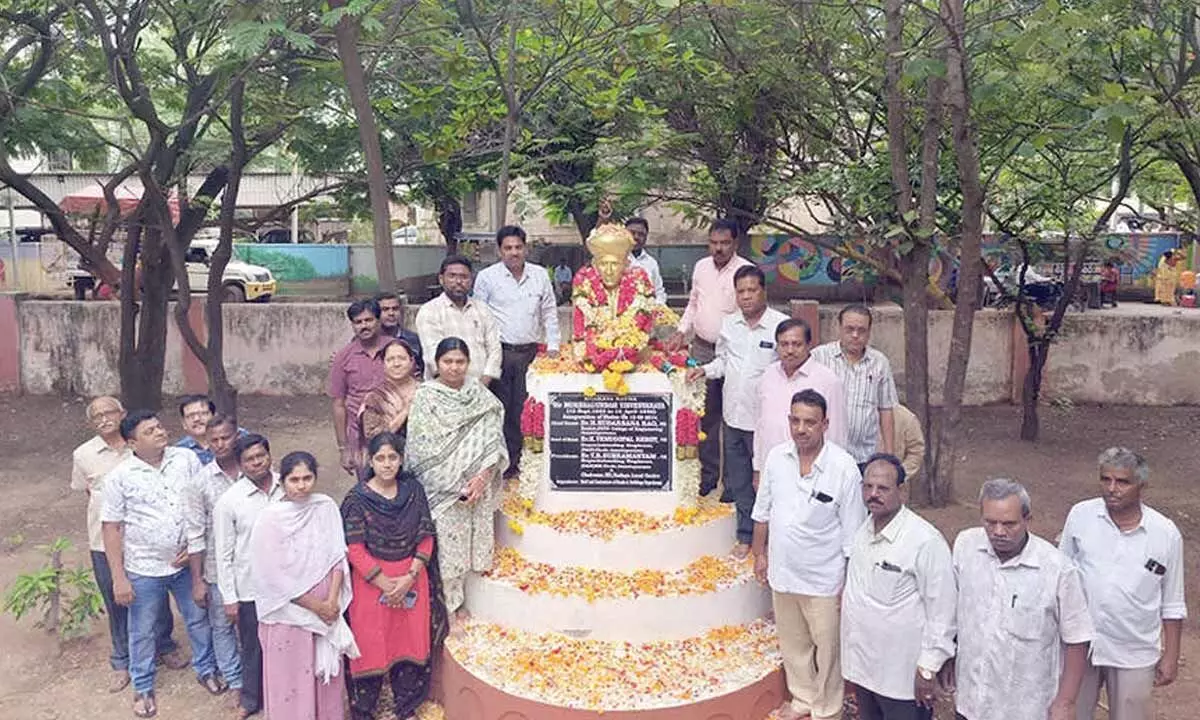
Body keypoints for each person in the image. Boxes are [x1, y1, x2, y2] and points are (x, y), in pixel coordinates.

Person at [751, 389, 866, 720]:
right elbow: (763, 512)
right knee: (794, 646)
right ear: (788, 421)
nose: (801, 429)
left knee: (827, 652)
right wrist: (760, 555)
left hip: (824, 579)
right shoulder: (776, 458)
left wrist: (848, 581)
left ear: (825, 424)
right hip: (784, 574)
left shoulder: (843, 468)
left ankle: (827, 711)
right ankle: (802, 700)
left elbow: (852, 533)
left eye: (810, 423)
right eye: (795, 421)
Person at [101, 410, 221, 718]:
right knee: (142, 629)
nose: (159, 432)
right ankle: (142, 687)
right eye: (150, 431)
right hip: (143, 568)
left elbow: (202, 504)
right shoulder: (119, 477)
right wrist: (119, 578)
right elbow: (111, 527)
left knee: (197, 617)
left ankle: (206, 668)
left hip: (185, 563)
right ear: (132, 442)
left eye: (159, 427)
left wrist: (195, 550)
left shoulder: (185, 459)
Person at [950, 478, 1093, 720]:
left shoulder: (1057, 570)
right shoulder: (966, 546)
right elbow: (952, 608)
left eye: (1009, 524)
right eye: (990, 522)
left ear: (1028, 519)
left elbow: (1078, 638)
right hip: (971, 702)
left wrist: (1066, 702)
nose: (998, 532)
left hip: (1024, 708)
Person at [1059, 448, 1186, 720]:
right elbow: (1060, 577)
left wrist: (1171, 655)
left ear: (1142, 485)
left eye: (1123, 482)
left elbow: (1172, 601)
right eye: (1106, 480)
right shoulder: (1081, 516)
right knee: (1070, 713)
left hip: (1133, 648)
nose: (1112, 489)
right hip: (1080, 643)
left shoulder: (1165, 534)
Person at [72, 397, 182, 693]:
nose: (104, 418)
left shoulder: (143, 443)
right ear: (90, 423)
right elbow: (89, 493)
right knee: (116, 598)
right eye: (97, 416)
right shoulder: (83, 455)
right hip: (103, 541)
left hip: (145, 542)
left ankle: (164, 645)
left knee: (156, 595)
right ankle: (122, 660)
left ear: (122, 414)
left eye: (110, 412)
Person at [342, 432, 449, 720]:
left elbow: (426, 536)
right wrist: (385, 584)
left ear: (401, 460)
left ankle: (406, 707)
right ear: (370, 460)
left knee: (409, 642)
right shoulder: (357, 499)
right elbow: (354, 548)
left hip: (412, 580)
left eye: (393, 457)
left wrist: (409, 577)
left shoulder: (413, 491)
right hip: (372, 585)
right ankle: (365, 711)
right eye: (380, 458)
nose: (387, 464)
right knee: (370, 645)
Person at [841, 454, 955, 720]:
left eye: (883, 488)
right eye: (868, 487)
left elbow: (943, 612)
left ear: (902, 491)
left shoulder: (925, 541)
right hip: (864, 669)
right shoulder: (862, 532)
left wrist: (928, 668)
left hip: (902, 679)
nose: (873, 494)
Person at [405, 337, 508, 628]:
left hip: (478, 483)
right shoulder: (426, 396)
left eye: (460, 361)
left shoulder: (479, 393)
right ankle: (450, 608)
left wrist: (482, 478)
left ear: (468, 363)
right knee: (449, 550)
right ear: (436, 363)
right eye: (447, 361)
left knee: (475, 542)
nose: (453, 367)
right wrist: (456, 485)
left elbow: (492, 436)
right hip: (445, 489)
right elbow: (421, 447)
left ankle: (472, 602)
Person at [686, 265, 788, 556]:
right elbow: (722, 362)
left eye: (751, 290)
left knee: (770, 483)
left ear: (763, 291)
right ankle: (746, 537)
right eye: (740, 291)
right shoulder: (729, 325)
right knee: (740, 481)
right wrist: (703, 371)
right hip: (734, 417)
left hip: (767, 423)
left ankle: (773, 541)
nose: (746, 297)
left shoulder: (780, 325)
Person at [250, 451, 358, 720]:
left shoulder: (325, 507)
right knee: (291, 683)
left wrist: (332, 603)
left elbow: (337, 556)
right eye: (294, 479)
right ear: (282, 480)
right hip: (288, 615)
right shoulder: (270, 518)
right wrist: (316, 607)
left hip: (327, 612)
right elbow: (271, 575)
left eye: (307, 478)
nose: (301, 485)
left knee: (325, 680)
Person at [670, 219, 754, 495]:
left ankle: (731, 483)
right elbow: (694, 303)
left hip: (734, 352)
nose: (718, 249)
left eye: (724, 243)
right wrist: (682, 331)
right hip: (702, 349)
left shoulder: (746, 271)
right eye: (714, 243)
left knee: (732, 416)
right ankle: (707, 478)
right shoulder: (701, 267)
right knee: (705, 416)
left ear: (735, 243)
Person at [473, 225, 560, 480]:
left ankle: (529, 463)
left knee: (528, 408)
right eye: (508, 248)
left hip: (531, 354)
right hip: (499, 354)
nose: (514, 252)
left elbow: (549, 313)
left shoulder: (540, 275)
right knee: (501, 409)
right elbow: (479, 316)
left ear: (526, 248)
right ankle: (504, 466)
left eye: (518, 247)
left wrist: (553, 347)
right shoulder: (488, 278)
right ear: (499, 250)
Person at [214, 433, 281, 719]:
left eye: (260, 457)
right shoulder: (230, 501)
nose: (257, 463)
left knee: (285, 643)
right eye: (249, 460)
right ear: (240, 465)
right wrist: (230, 598)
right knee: (253, 646)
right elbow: (223, 554)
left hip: (288, 585)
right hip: (251, 587)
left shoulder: (287, 486)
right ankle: (252, 700)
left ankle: (284, 696)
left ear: (269, 455)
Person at [184, 415, 245, 705]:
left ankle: (259, 677)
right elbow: (195, 534)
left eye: (226, 437)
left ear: (237, 436)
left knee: (255, 624)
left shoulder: (255, 469)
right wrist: (197, 581)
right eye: (215, 440)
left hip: (254, 566)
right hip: (216, 569)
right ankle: (235, 681)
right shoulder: (200, 483)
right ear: (207, 443)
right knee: (222, 625)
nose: (221, 444)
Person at [754, 319, 848, 481]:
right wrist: (758, 468)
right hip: (771, 470)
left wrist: (830, 476)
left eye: (797, 344)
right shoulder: (767, 376)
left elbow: (837, 434)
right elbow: (760, 426)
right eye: (784, 344)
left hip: (811, 473)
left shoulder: (827, 380)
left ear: (809, 345)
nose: (790, 350)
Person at [812, 305, 899, 469]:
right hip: (825, 454)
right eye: (849, 329)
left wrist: (889, 455)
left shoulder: (879, 362)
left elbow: (885, 409)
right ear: (838, 328)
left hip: (864, 456)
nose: (855, 335)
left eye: (862, 330)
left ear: (869, 332)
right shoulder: (819, 357)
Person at [414, 255, 502, 385]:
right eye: (452, 276)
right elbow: (432, 355)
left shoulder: (482, 309)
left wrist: (485, 381)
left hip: (483, 387)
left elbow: (494, 347)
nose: (458, 281)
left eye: (464, 277)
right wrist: (459, 389)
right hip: (444, 389)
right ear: (441, 279)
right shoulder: (429, 311)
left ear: (471, 280)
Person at [330, 298, 393, 475]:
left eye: (368, 320)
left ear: (378, 321)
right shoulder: (343, 357)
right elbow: (338, 404)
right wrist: (344, 449)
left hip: (395, 430)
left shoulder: (395, 349)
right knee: (367, 488)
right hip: (360, 438)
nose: (363, 326)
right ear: (352, 325)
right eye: (358, 322)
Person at [360, 338, 422, 444]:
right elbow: (373, 437)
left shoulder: (426, 391)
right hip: (389, 456)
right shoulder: (375, 398)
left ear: (411, 361)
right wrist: (405, 412)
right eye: (390, 359)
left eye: (402, 358)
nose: (396, 364)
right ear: (383, 364)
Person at [626, 217, 666, 304]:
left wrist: (658, 306)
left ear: (646, 237)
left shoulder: (651, 263)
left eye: (641, 234)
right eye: (632, 233)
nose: (636, 237)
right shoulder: (616, 259)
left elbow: (659, 291)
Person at [375, 291, 423, 362]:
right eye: (385, 309)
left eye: (395, 309)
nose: (391, 313)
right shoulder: (370, 340)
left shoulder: (413, 339)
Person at [176, 395, 218, 464]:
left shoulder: (235, 438)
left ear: (215, 417)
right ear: (184, 424)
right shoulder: (179, 451)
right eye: (190, 416)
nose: (196, 419)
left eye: (202, 413)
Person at [890, 404, 925, 484]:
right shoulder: (857, 416)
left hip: (895, 489)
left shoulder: (905, 418)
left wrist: (900, 473)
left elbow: (916, 451)